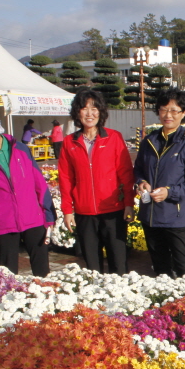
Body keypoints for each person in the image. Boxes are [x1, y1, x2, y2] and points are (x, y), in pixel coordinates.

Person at [0, 110, 55, 277]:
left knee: (42, 269)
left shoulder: (21, 149)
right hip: (2, 223)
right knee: (7, 273)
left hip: (33, 217)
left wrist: (49, 214)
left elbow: (39, 183)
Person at [57, 89, 134, 274]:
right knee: (92, 265)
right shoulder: (69, 142)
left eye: (94, 108)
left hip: (112, 209)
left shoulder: (113, 137)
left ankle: (121, 295)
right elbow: (66, 178)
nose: (89, 113)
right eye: (84, 108)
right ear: (77, 112)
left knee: (118, 261)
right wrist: (67, 210)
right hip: (85, 212)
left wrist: (128, 204)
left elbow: (126, 173)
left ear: (101, 112)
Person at [133, 87, 185, 278]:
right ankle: (165, 304)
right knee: (160, 268)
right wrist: (140, 182)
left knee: (184, 269)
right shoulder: (149, 141)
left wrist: (169, 192)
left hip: (175, 216)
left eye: (175, 110)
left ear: (183, 113)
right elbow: (138, 169)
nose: (168, 115)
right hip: (150, 215)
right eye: (164, 109)